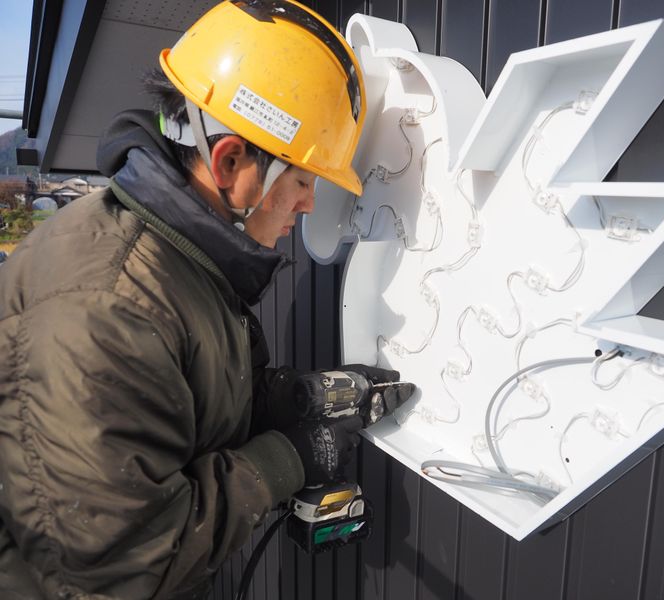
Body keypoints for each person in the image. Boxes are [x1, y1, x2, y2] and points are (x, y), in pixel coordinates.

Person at [0, 2, 404, 598]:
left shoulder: (178, 259)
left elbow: (178, 399)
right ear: (230, 161)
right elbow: (120, 567)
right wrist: (288, 458)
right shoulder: (104, 309)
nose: (309, 204)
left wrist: (284, 398)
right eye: (302, 180)